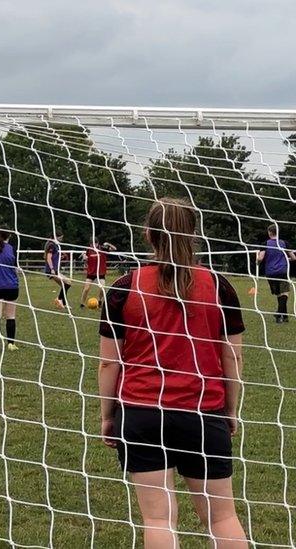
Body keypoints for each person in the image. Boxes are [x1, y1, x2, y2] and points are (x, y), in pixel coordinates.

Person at [99, 198, 247, 549]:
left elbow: (108, 363)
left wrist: (108, 416)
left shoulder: (124, 287)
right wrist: (230, 409)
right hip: (203, 412)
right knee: (221, 517)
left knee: (158, 518)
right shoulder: (220, 286)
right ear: (193, 234)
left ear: (148, 234)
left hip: (141, 413)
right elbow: (233, 356)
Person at [257, 224, 296, 323]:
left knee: (279, 294)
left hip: (271, 272)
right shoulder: (284, 243)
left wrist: (257, 259)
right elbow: (294, 258)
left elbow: (260, 258)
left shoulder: (265, 243)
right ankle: (282, 315)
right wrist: (286, 259)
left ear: (269, 232)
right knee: (285, 293)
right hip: (283, 271)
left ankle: (281, 316)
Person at [80, 237, 117, 308]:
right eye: (91, 244)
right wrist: (84, 257)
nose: (93, 246)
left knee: (102, 288)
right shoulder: (88, 250)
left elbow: (114, 249)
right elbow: (84, 256)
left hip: (100, 273)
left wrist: (108, 244)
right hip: (91, 272)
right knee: (86, 289)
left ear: (97, 243)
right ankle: (82, 303)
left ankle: (100, 300)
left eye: (95, 244)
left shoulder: (103, 248)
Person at [45, 231, 71, 310]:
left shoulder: (53, 245)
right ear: (56, 237)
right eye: (61, 238)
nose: (61, 239)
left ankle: (62, 302)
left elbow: (52, 256)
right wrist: (52, 269)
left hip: (55, 270)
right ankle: (60, 300)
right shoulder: (51, 245)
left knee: (67, 284)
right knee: (66, 284)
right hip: (51, 271)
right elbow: (49, 257)